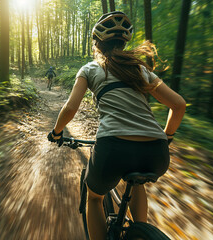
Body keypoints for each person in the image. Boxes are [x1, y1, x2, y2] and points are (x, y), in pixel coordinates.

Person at [47, 11, 186, 240]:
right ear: (124, 43)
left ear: (97, 45)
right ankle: (141, 234)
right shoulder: (141, 70)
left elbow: (70, 109)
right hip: (156, 153)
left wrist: (56, 132)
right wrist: (167, 136)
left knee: (94, 197)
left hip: (114, 148)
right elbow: (178, 105)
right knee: (137, 183)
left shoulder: (91, 69)